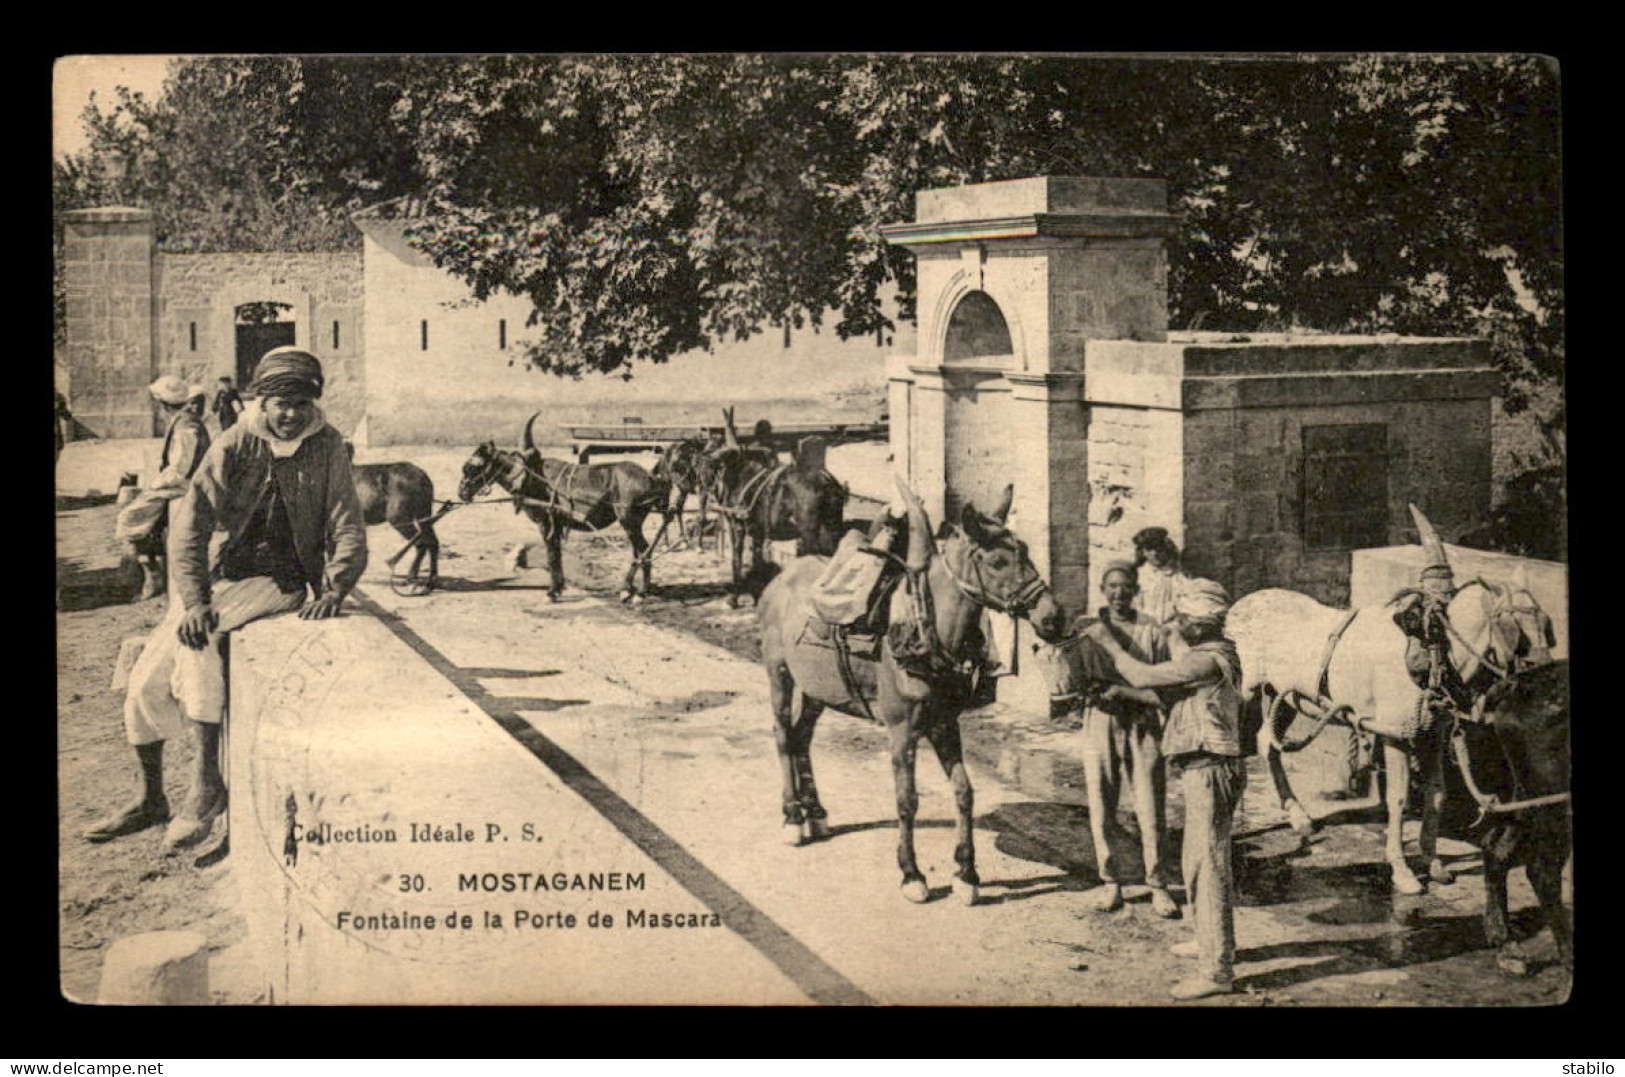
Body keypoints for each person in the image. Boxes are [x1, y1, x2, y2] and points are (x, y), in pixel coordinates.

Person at [84, 348, 367, 850]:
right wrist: (192, 599)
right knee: (146, 680)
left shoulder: (328, 448)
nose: (291, 414)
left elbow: (347, 522)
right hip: (219, 579)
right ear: (261, 400)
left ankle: (205, 783)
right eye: (281, 402)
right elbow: (189, 527)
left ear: (314, 403)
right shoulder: (237, 443)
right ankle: (152, 797)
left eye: (301, 403)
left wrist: (337, 585)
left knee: (198, 641)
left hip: (278, 582)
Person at [1085, 577, 1245, 1000]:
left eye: (1184, 618)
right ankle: (1210, 942)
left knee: (1208, 866)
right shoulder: (1209, 655)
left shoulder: (1207, 659)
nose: (1178, 623)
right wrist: (1122, 691)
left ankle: (1217, 971)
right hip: (1203, 767)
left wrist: (1108, 642)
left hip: (1211, 768)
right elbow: (1165, 699)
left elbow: (1142, 673)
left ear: (1202, 622)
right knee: (1195, 860)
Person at [1077, 562, 1178, 919]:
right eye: (1112, 586)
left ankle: (1158, 884)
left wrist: (1127, 691)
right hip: (1100, 722)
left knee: (1150, 807)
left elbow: (1165, 687)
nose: (1119, 593)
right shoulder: (1087, 629)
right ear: (1102, 590)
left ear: (1135, 589)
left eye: (1125, 586)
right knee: (1101, 803)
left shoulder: (1151, 630)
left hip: (1143, 723)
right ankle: (1111, 881)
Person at [113, 376, 211, 600]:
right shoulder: (181, 420)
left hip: (186, 485)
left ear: (162, 403)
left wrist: (153, 486)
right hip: (179, 483)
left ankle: (151, 573)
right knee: (147, 520)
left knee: (128, 519)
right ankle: (148, 569)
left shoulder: (186, 426)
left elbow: (180, 469)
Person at [1132, 526, 1191, 630]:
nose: (1155, 553)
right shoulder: (1138, 576)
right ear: (1143, 552)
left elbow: (1186, 608)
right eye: (1149, 549)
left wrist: (1171, 627)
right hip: (1144, 630)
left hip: (1173, 631)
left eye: (1158, 548)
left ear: (1165, 548)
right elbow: (1134, 608)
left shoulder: (1179, 576)